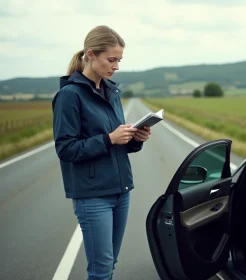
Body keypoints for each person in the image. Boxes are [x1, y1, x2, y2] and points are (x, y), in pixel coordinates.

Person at [52, 25, 151, 280]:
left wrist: (135, 139)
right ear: (91, 54)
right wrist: (109, 139)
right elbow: (66, 149)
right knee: (100, 270)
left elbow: (118, 142)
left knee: (109, 264)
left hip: (121, 191)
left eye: (119, 60)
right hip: (93, 196)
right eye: (111, 59)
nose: (116, 66)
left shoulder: (112, 91)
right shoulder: (69, 96)